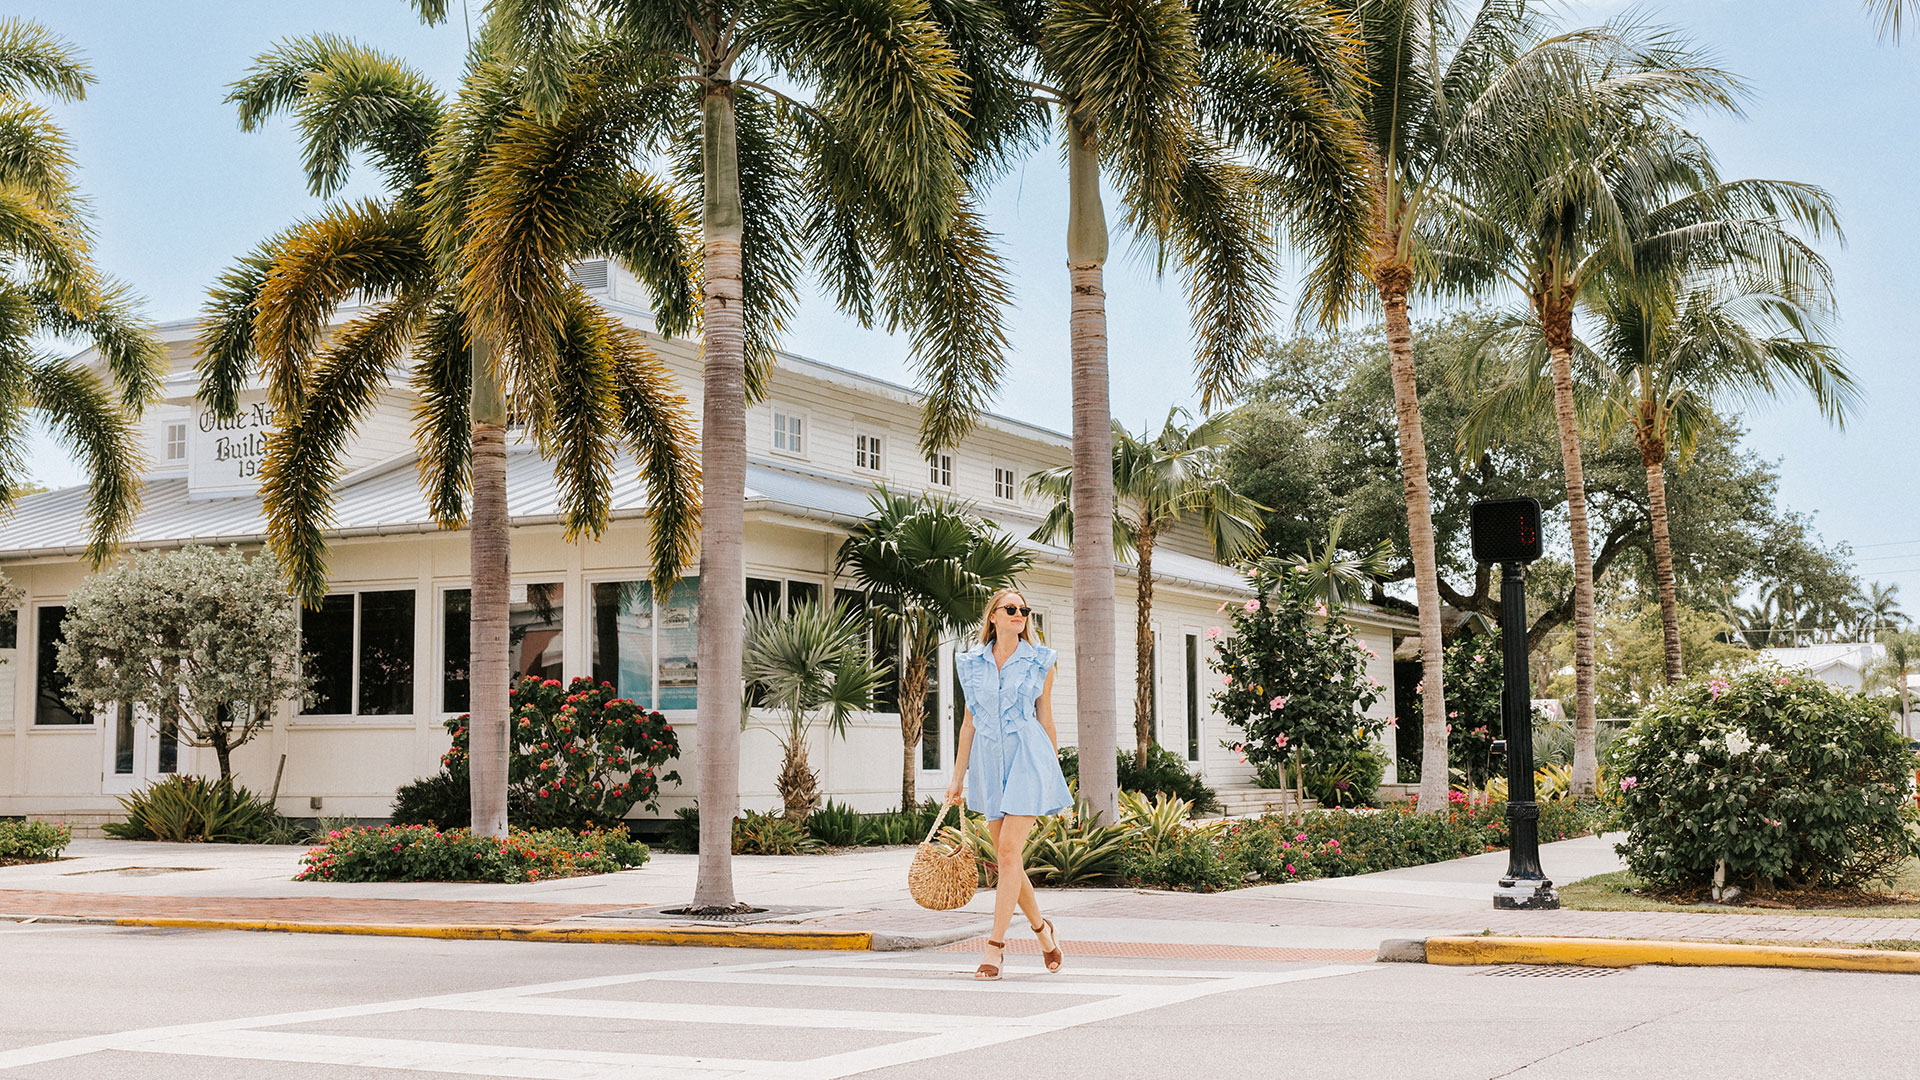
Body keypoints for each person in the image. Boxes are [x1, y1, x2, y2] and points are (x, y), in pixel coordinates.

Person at [944, 588, 1072, 980]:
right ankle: (1043, 932)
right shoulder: (970, 664)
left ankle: (995, 947)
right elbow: (968, 724)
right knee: (1007, 859)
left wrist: (1055, 772)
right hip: (988, 760)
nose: (1020, 615)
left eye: (1024, 610)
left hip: (1029, 759)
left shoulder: (1040, 660)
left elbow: (1045, 718)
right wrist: (956, 778)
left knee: (1009, 849)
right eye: (1011, 609)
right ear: (994, 617)